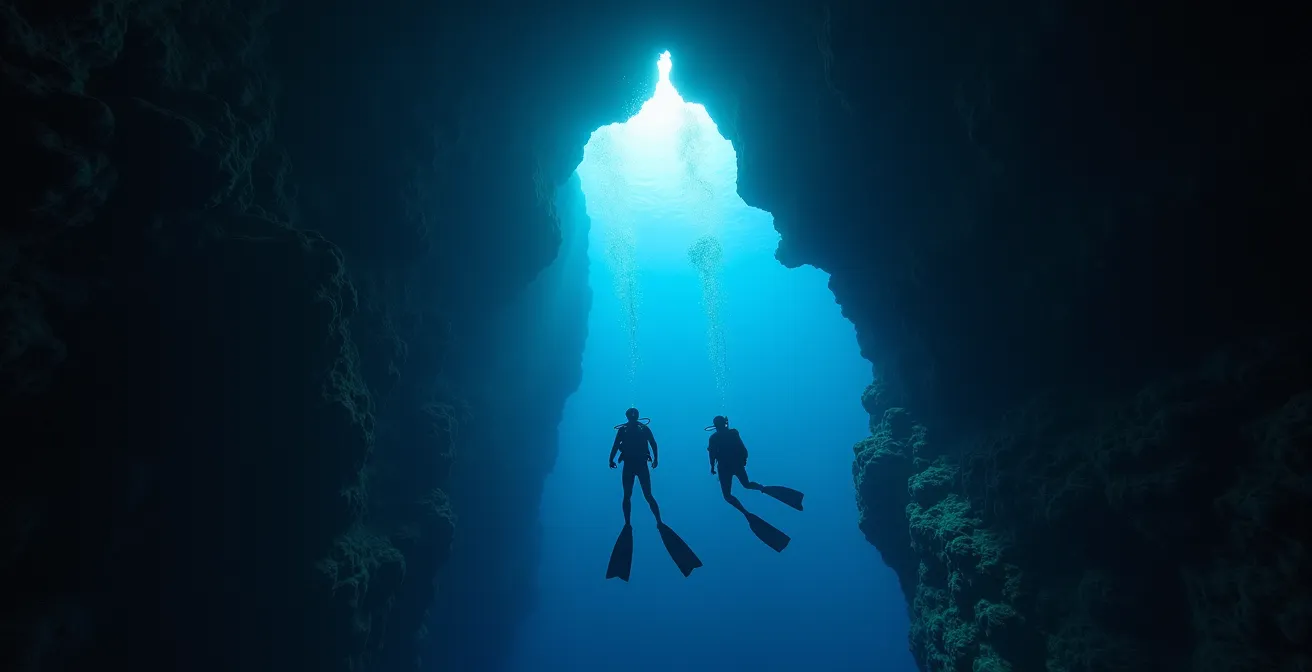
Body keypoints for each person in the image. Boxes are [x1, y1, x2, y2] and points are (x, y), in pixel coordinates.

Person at [609, 407, 661, 526]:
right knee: (630, 495)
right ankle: (628, 522)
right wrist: (610, 459)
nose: (632, 417)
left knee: (645, 495)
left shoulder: (641, 429)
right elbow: (616, 445)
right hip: (632, 464)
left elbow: (653, 443)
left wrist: (656, 458)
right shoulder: (626, 430)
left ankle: (658, 520)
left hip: (637, 464)